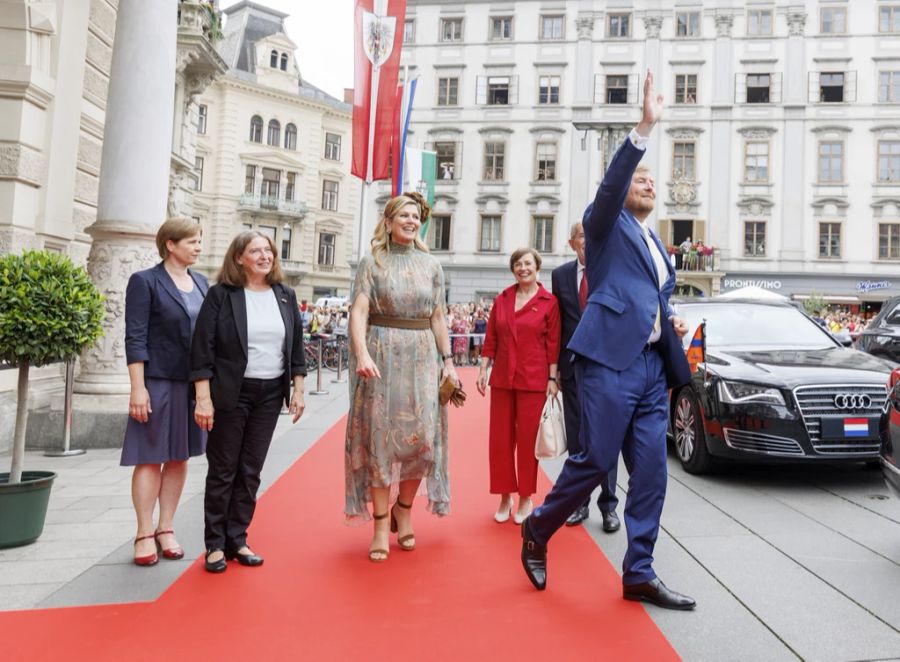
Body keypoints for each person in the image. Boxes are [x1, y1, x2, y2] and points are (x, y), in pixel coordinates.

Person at [520, 70, 696, 611]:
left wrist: (670, 323)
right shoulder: (603, 225)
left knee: (652, 474)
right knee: (595, 461)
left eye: (652, 181)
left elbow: (655, 297)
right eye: (640, 178)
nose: (647, 183)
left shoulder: (658, 245)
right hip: (607, 364)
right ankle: (538, 529)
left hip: (650, 369)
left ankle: (638, 571)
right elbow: (614, 182)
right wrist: (644, 126)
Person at [344, 192, 458, 562]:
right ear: (389, 221)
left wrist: (449, 361)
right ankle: (380, 525)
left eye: (415, 216)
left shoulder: (432, 265)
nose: (411, 220)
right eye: (403, 215)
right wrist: (361, 353)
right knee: (379, 440)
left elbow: (438, 317)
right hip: (380, 357)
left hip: (423, 357)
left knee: (423, 442)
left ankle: (403, 510)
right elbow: (359, 312)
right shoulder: (371, 261)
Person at [191, 231, 306, 573]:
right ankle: (214, 544)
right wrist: (203, 399)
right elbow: (202, 350)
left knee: (250, 470)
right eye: (255, 250)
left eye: (268, 250)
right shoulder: (221, 296)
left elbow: (296, 347)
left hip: (270, 394)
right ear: (239, 257)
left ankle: (237, 537)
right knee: (224, 468)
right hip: (230, 393)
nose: (264, 255)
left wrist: (298, 389)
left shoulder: (285, 295)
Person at [123, 218, 209, 566]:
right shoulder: (145, 281)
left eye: (199, 240)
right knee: (149, 456)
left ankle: (166, 528)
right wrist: (137, 388)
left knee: (179, 456)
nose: (198, 247)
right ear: (169, 244)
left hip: (191, 385)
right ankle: (144, 532)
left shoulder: (202, 283)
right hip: (156, 381)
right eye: (191, 241)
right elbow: (135, 336)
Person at [477, 248, 560, 525]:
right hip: (502, 378)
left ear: (537, 267)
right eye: (517, 264)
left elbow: (553, 344)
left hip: (533, 380)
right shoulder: (503, 299)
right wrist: (483, 368)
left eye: (527, 263)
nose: (522, 268)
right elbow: (491, 337)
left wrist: (552, 379)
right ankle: (504, 496)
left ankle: (525, 496)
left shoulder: (549, 302)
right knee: (499, 441)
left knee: (527, 442)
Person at [550, 222, 619, 531]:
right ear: (572, 242)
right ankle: (580, 504)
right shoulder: (560, 275)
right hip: (572, 368)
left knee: (606, 436)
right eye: (582, 237)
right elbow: (558, 326)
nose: (587, 243)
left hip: (607, 367)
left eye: (593, 237)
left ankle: (609, 506)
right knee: (578, 438)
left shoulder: (612, 270)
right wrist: (554, 373)